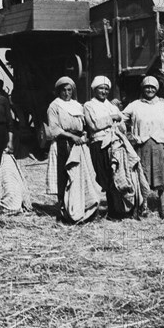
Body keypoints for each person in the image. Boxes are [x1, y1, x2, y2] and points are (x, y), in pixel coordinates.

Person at [84, 76, 150, 220]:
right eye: (101, 88)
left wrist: (115, 119)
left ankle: (116, 211)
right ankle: (97, 211)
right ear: (94, 89)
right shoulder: (89, 106)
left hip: (115, 144)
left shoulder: (112, 106)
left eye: (106, 89)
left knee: (116, 176)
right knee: (102, 177)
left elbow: (122, 126)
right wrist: (112, 118)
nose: (104, 91)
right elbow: (93, 125)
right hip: (99, 144)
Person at [122, 76, 164, 219]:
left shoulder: (163, 105)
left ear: (156, 89)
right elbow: (120, 119)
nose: (149, 90)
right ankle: (143, 208)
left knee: (163, 178)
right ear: (142, 88)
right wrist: (128, 136)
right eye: (147, 87)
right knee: (143, 178)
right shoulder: (134, 105)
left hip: (160, 147)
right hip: (141, 146)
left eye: (152, 87)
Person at [45, 77, 100, 223]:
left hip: (79, 143)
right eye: (63, 90)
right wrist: (71, 136)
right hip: (63, 143)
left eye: (69, 90)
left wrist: (84, 135)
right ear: (59, 91)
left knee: (80, 175)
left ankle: (81, 207)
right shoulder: (54, 106)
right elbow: (54, 128)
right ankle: (64, 211)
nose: (66, 93)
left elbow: (85, 124)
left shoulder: (78, 106)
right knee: (64, 175)